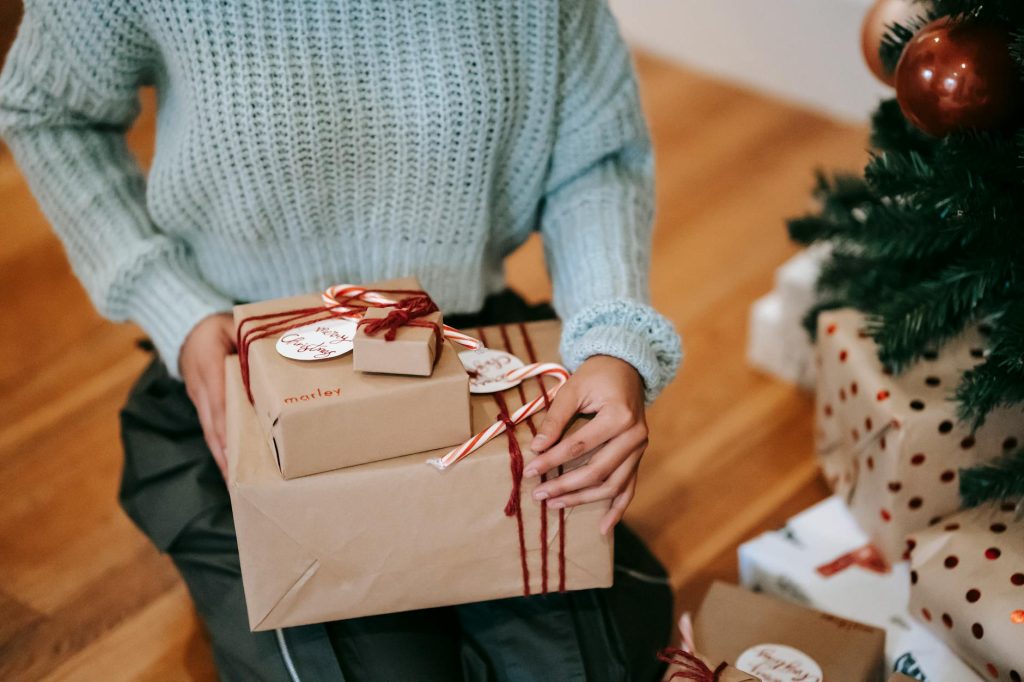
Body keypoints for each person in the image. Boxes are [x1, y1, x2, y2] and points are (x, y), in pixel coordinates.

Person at [0, 1, 682, 680]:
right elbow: (48, 110)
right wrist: (170, 304)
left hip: (453, 347)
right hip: (251, 365)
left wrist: (612, 336)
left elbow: (598, 161)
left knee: (590, 667)